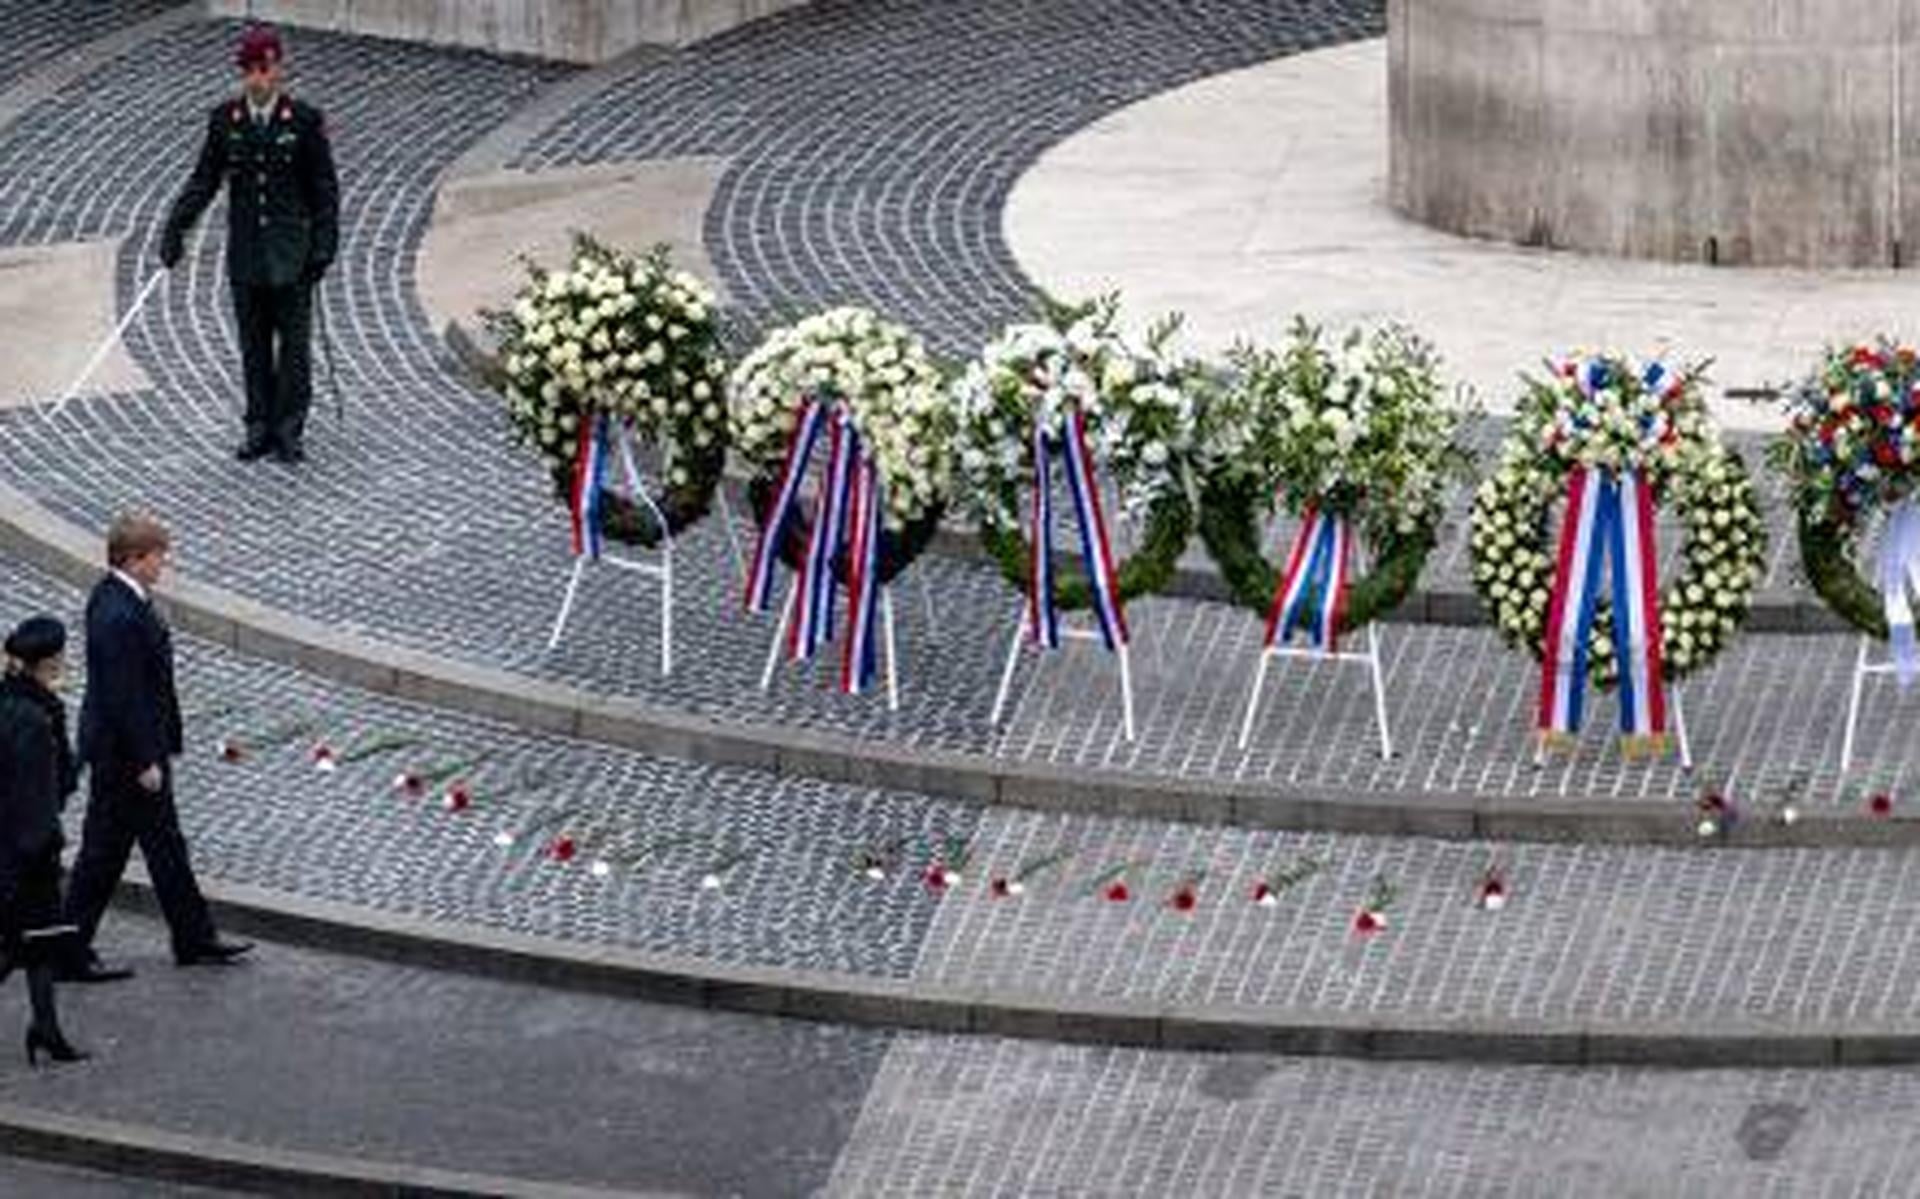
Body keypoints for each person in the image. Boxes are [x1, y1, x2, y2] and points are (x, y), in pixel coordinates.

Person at [63, 513, 251, 981]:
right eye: (157, 555)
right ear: (133, 558)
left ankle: (193, 936)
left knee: (162, 846)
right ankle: (68, 948)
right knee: (103, 855)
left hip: (130, 750)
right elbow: (124, 694)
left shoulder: (120, 599)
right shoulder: (117, 612)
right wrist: (147, 758)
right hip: (125, 756)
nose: (163, 563)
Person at [159, 24, 339, 465]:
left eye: (264, 69)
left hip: (291, 254)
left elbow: (323, 190)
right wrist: (176, 227)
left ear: (279, 69)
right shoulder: (226, 121)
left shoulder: (303, 121)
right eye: (249, 71)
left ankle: (289, 428)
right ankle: (258, 425)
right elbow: (205, 179)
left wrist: (323, 247)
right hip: (248, 255)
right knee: (253, 346)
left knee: (294, 350)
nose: (256, 79)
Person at [0, 616, 89, 1065]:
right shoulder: (37, 719)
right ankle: (46, 1031)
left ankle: (47, 1028)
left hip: (11, 845)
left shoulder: (9, 702)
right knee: (20, 944)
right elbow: (42, 792)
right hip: (26, 853)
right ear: (49, 662)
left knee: (40, 943)